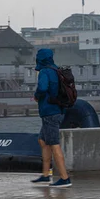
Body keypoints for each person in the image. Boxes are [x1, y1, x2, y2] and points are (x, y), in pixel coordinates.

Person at [31, 48, 72, 188]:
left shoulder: (44, 72)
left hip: (50, 112)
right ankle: (45, 175)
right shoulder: (56, 70)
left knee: (54, 144)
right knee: (42, 140)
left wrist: (36, 96)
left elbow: (42, 88)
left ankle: (64, 178)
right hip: (58, 110)